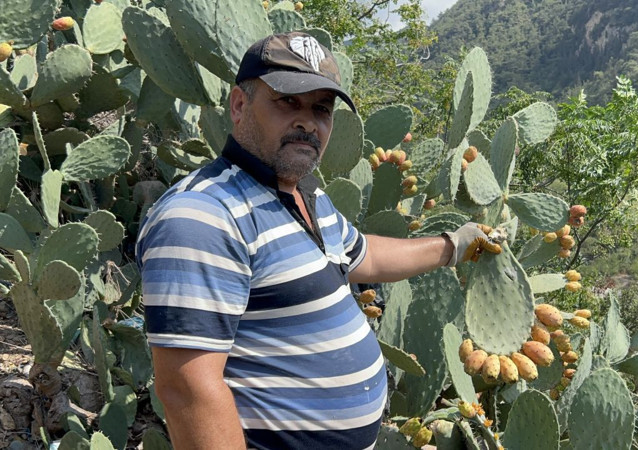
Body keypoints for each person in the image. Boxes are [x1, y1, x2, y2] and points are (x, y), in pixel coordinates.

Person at [135, 32, 499, 449]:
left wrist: (453, 245)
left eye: (321, 109)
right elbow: (187, 389)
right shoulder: (203, 216)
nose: (308, 122)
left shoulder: (305, 194)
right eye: (287, 102)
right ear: (238, 105)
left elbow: (364, 256)